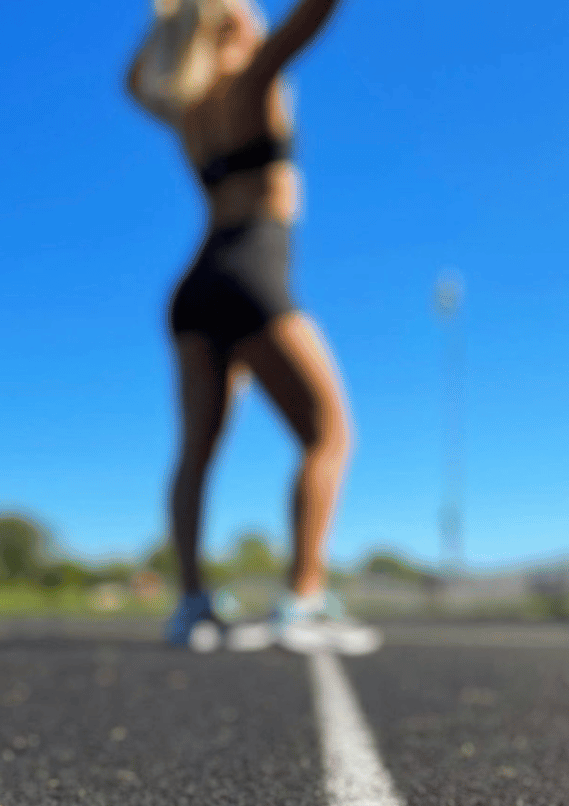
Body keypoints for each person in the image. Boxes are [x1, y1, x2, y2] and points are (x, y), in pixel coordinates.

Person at [125, 0, 378, 653]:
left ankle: (190, 607)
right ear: (236, 27)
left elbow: (132, 85)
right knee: (330, 435)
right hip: (251, 271)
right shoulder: (253, 76)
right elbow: (314, 16)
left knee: (195, 452)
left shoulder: (188, 109)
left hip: (196, 284)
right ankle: (303, 601)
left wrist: (166, 23)